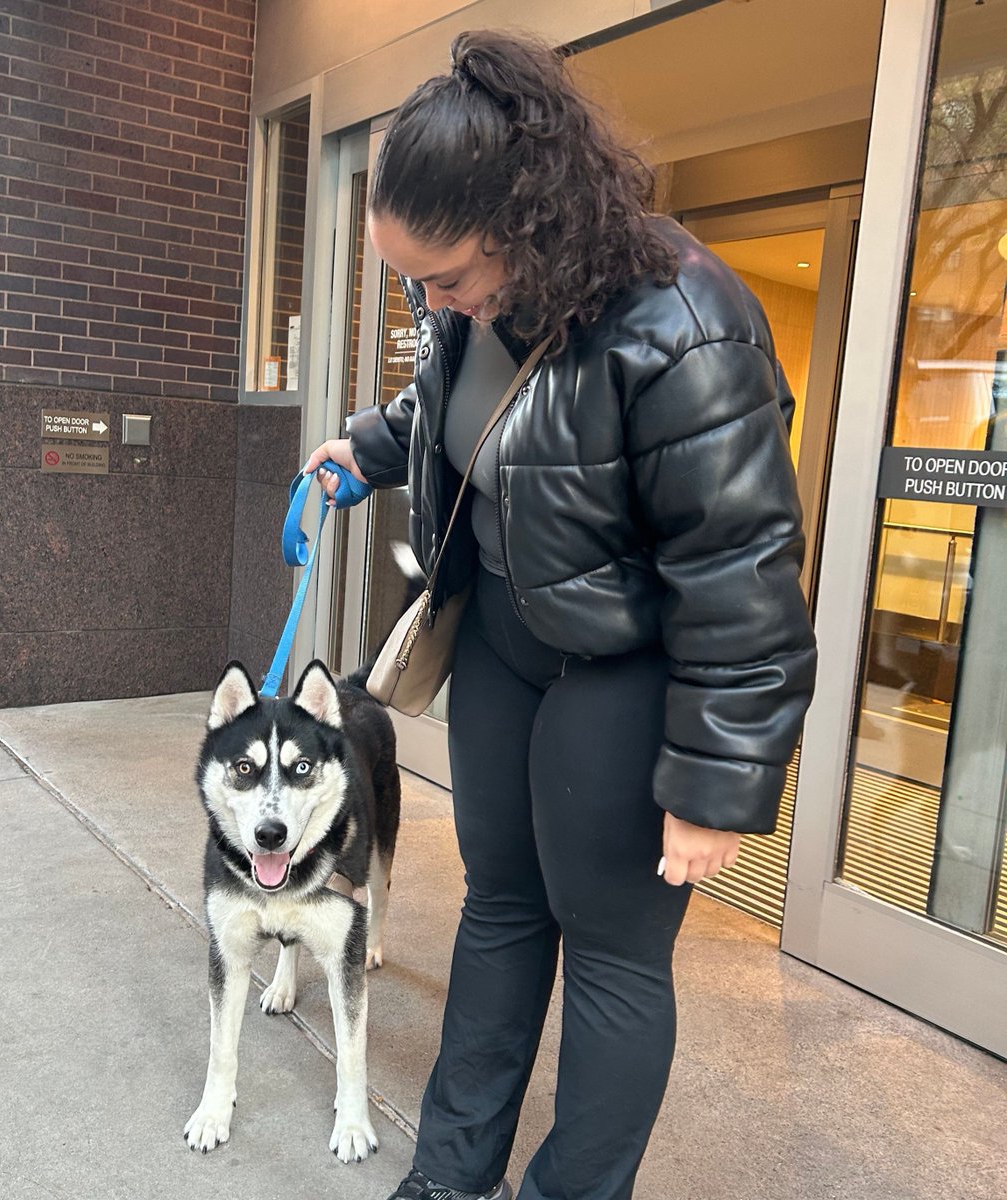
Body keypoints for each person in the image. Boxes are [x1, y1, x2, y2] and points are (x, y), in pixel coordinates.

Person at [304, 29, 817, 1200]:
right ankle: (449, 1177)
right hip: (504, 641)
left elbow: (744, 575)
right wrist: (369, 448)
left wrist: (715, 784)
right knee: (500, 907)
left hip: (627, 674)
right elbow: (461, 409)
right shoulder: (473, 308)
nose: (432, 303)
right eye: (416, 284)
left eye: (442, 278)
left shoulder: (688, 324)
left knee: (616, 959)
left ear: (527, 221)